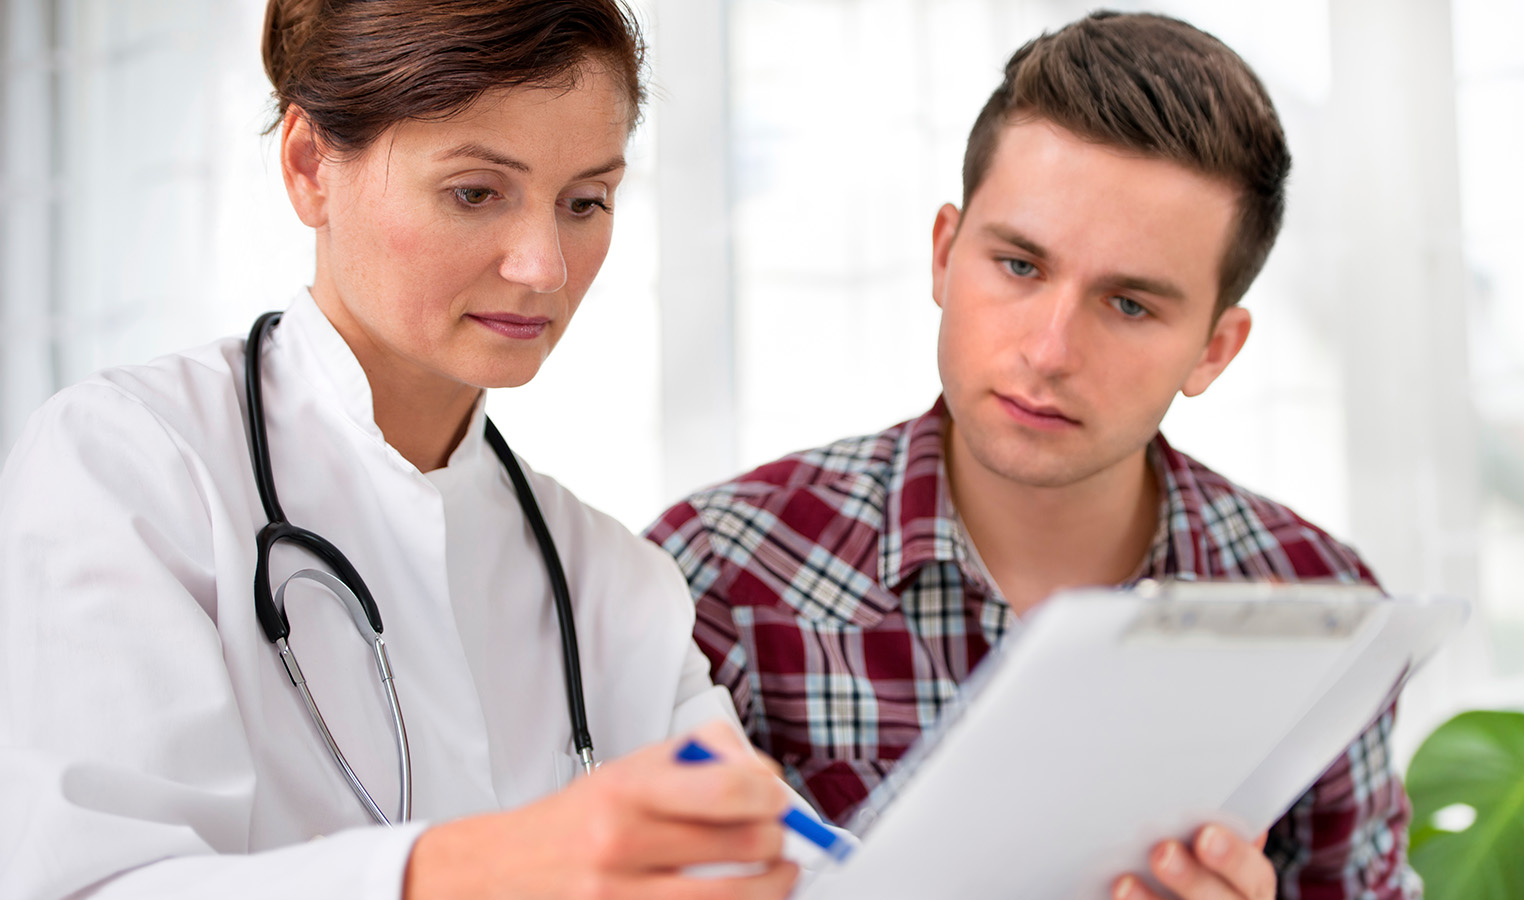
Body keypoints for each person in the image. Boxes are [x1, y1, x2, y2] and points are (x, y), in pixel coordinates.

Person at [0, 2, 804, 898]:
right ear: (310, 166)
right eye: (475, 192)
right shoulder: (133, 465)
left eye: (585, 201)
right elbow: (91, 884)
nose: (544, 265)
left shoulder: (613, 581)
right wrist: (472, 870)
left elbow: (766, 860)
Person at [646, 10, 1415, 900]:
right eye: (1018, 265)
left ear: (1214, 349)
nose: (1049, 351)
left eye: (1130, 305)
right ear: (944, 254)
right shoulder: (718, 573)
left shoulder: (1317, 611)